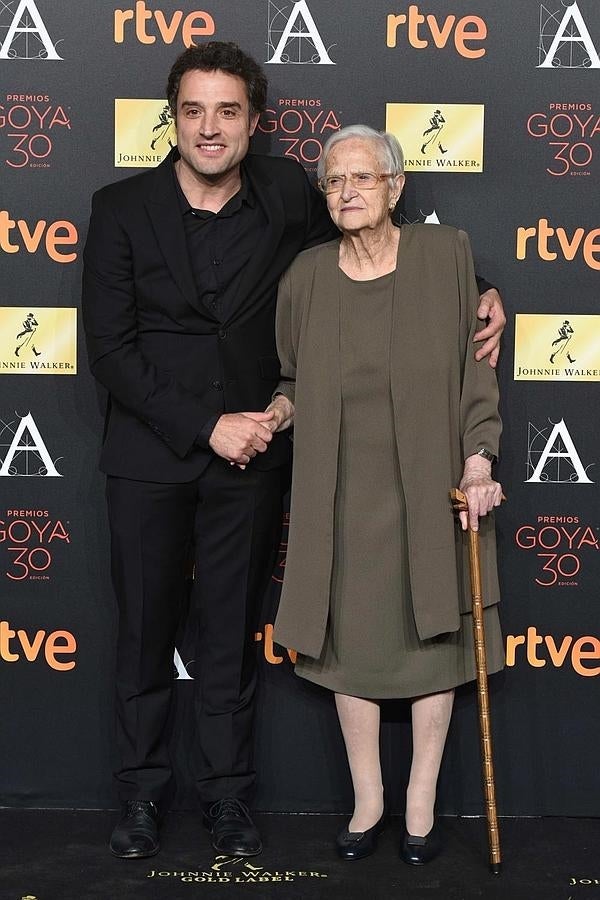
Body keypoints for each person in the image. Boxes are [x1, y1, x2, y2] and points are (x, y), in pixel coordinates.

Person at [82, 42, 505, 861]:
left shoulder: (287, 193)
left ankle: (227, 801)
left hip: (255, 463)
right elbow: (111, 351)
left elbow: (384, 241)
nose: (211, 128)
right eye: (195, 111)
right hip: (150, 457)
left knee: (232, 634)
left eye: (229, 111)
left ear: (254, 123)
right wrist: (207, 426)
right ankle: (138, 797)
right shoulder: (119, 208)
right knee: (142, 634)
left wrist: (483, 286)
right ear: (173, 119)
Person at [270, 125, 504, 865]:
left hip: (432, 488)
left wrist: (478, 464)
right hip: (341, 494)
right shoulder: (305, 276)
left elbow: (474, 379)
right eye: (334, 182)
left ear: (396, 188)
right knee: (354, 650)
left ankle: (421, 801)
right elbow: (292, 380)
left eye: (364, 179)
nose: (347, 193)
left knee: (434, 648)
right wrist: (272, 414)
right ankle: (369, 799)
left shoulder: (446, 256)